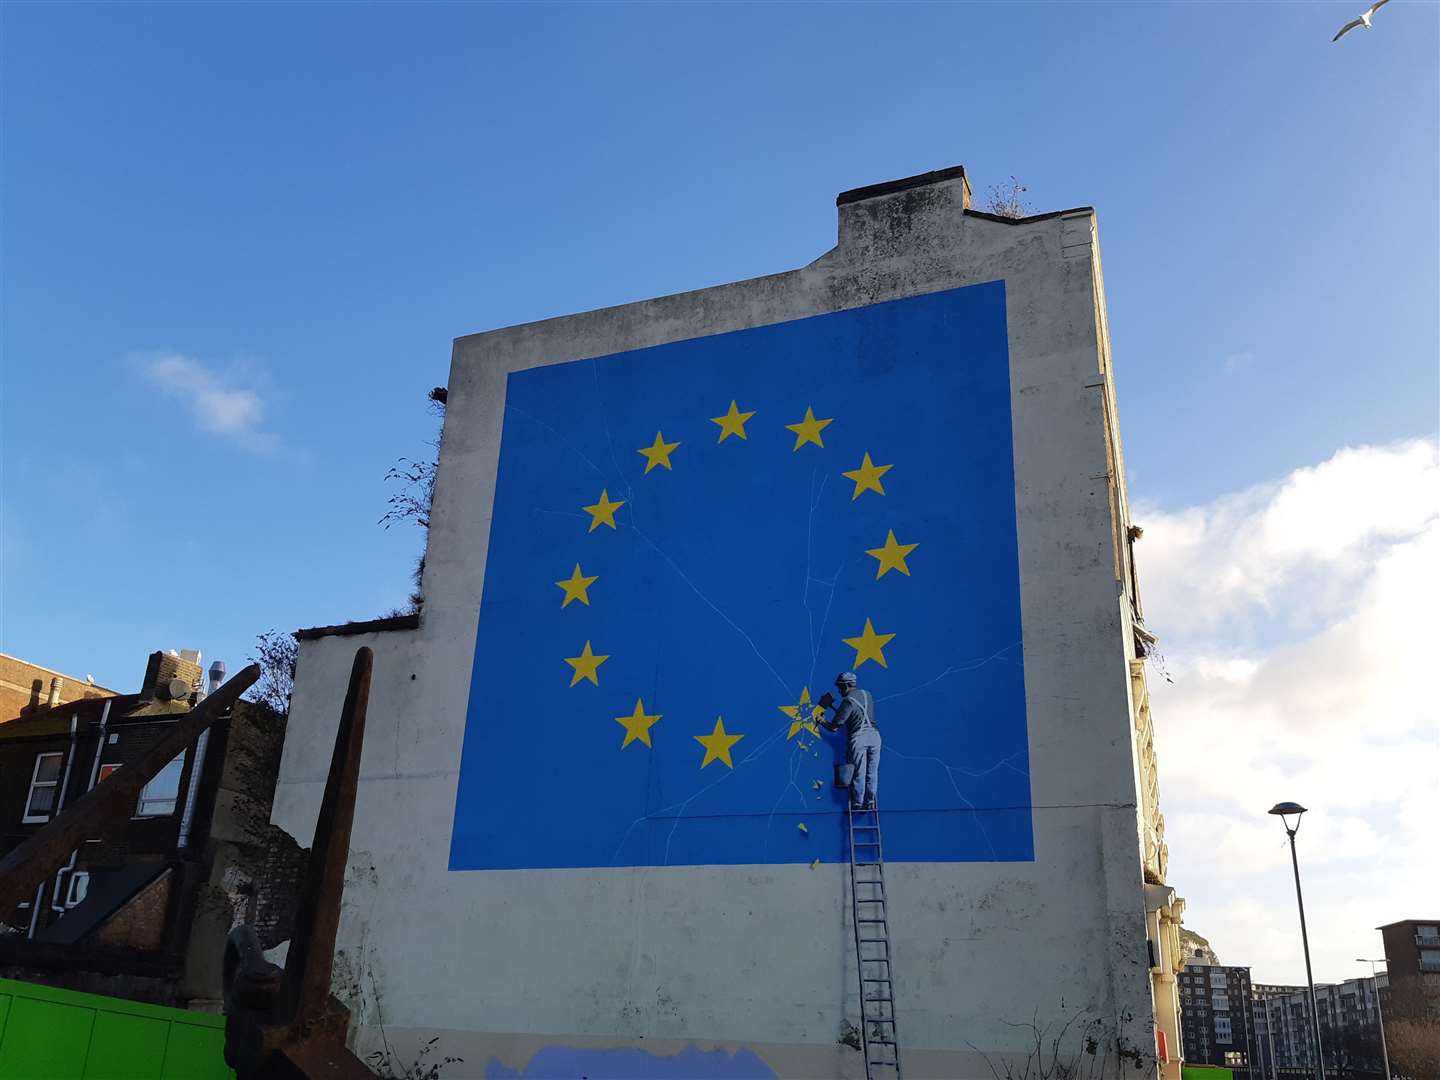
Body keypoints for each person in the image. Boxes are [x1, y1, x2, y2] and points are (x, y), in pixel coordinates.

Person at [818, 671, 880, 810]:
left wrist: (822, 721)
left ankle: (857, 802)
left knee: (859, 771)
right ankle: (870, 801)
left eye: (840, 687)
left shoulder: (848, 701)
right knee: (872, 772)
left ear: (846, 685)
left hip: (859, 737)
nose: (839, 691)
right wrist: (839, 710)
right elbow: (857, 715)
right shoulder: (867, 694)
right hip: (875, 736)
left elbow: (834, 727)